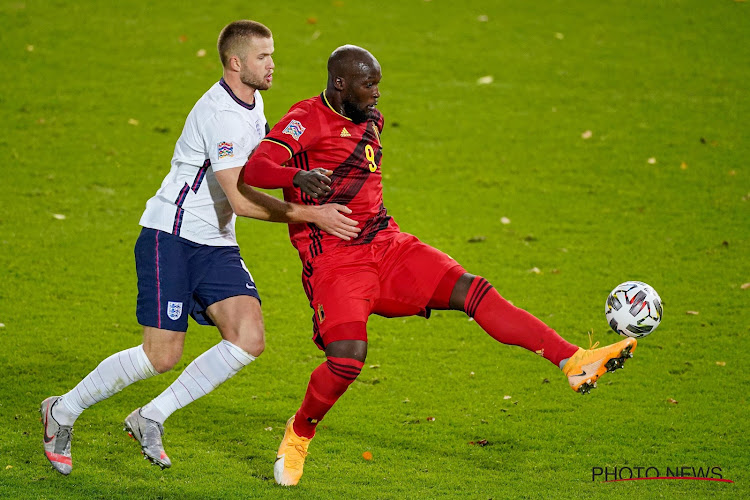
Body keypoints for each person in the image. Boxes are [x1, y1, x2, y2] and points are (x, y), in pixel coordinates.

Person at [242, 44, 638, 486]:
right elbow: (255, 169)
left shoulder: (372, 119)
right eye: (368, 84)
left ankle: (573, 360)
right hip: (336, 261)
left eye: (378, 84)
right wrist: (296, 177)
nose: (377, 94)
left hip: (389, 246)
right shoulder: (307, 118)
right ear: (340, 83)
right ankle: (299, 433)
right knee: (347, 360)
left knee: (473, 290)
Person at [39, 21, 361, 476]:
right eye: (263, 57)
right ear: (236, 63)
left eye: (272, 55)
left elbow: (266, 164)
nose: (272, 65)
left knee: (248, 338)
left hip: (214, 242)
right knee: (162, 355)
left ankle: (150, 415)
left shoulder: (252, 102)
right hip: (170, 236)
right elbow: (242, 199)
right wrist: (315, 215)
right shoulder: (220, 116)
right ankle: (62, 411)